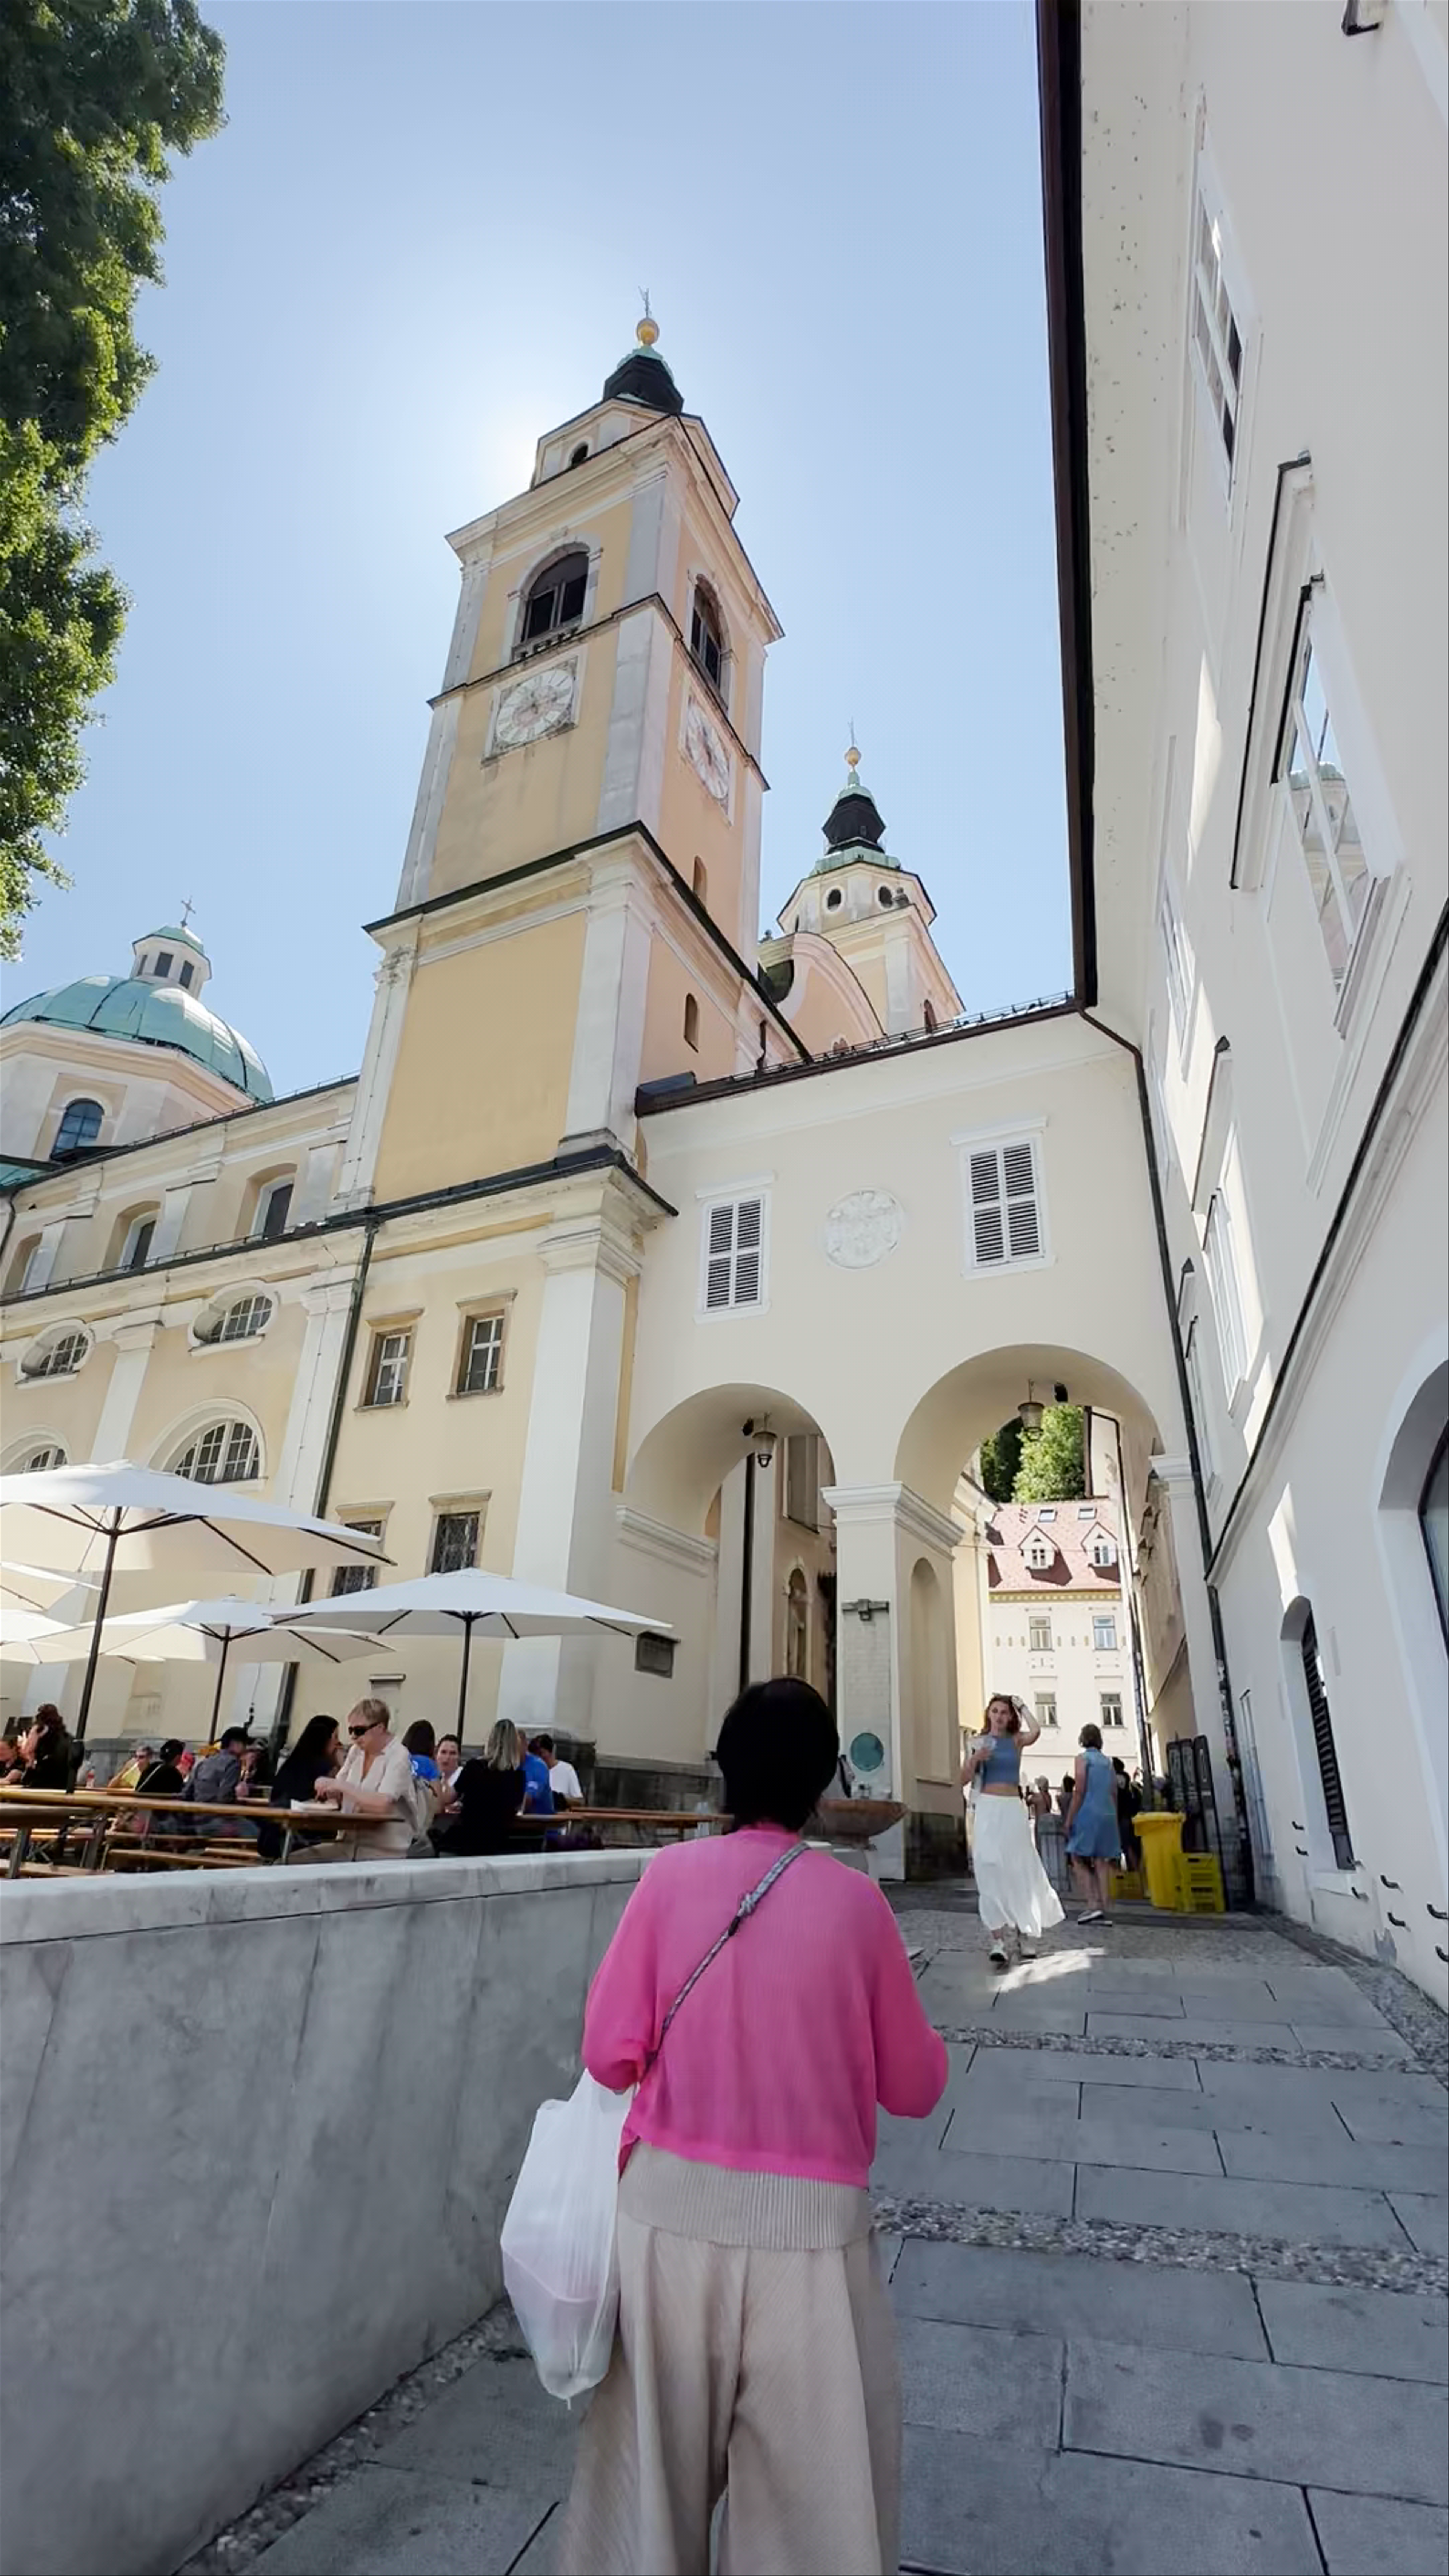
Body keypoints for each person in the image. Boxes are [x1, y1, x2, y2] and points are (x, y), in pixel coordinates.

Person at [557, 1677, 947, 2576]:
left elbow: (608, 2051)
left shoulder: (666, 1879)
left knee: (646, 2503)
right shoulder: (857, 1906)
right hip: (810, 2243)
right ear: (820, 1785)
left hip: (667, 2226)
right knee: (813, 2521)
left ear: (725, 1775)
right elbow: (915, 2087)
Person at [961, 1695, 1065, 1969]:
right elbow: (961, 1778)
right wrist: (976, 1759)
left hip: (1011, 1809)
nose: (999, 1716)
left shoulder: (1016, 1740)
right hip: (987, 1808)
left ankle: (1025, 1933)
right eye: (994, 1711)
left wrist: (1022, 1706)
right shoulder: (978, 1742)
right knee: (988, 1866)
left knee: (1019, 1868)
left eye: (1004, 1712)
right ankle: (998, 1941)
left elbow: (1037, 1731)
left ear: (1009, 1717)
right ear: (988, 1714)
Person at [304, 1699, 422, 1861]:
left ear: (380, 1728)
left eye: (359, 1731)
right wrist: (327, 1791)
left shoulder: (399, 1756)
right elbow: (339, 1791)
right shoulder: (356, 1752)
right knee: (288, 1862)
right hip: (347, 1844)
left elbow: (382, 1805)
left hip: (383, 1852)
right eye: (350, 1730)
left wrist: (340, 1785)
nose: (353, 1737)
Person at [434, 1720, 528, 1856]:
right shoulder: (518, 1777)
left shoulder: (475, 1767)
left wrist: (441, 1777)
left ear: (491, 1741)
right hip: (497, 1845)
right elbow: (516, 1807)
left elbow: (448, 1798)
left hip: (466, 1841)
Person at [258, 1714, 342, 1862]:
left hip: (274, 1838)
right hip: (304, 1839)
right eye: (335, 1737)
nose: (338, 1743)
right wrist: (341, 1765)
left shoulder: (292, 1763)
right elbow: (336, 1803)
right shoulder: (325, 1769)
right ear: (324, 1739)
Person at [1065, 1724, 1123, 1924]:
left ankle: (1092, 1904)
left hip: (1088, 1812)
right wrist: (1113, 1816)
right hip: (1107, 1812)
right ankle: (1105, 1907)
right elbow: (1114, 1791)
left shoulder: (1082, 1760)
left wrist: (1070, 1818)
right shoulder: (1108, 1763)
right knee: (1101, 1860)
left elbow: (1080, 1788)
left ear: (1082, 1739)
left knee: (1077, 1857)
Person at [185, 1726, 248, 1825]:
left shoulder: (204, 1762)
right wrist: (237, 1794)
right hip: (216, 1821)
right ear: (235, 1744)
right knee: (256, 1834)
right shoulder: (233, 1764)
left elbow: (187, 1792)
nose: (246, 1748)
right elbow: (225, 1798)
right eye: (244, 1744)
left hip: (195, 1819)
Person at [12, 1706, 72, 1792]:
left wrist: (24, 1744)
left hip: (45, 1778)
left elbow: (27, 1751)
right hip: (63, 1783)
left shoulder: (39, 1729)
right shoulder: (65, 1735)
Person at [532, 1731, 583, 1807]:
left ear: (551, 1752)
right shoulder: (533, 1771)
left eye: (541, 1753)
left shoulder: (567, 1769)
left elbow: (580, 1801)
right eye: (535, 1755)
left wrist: (560, 1799)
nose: (539, 1759)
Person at [1112, 1755, 1141, 1867]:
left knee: (1124, 1845)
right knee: (1128, 1845)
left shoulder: (1117, 1779)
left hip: (1120, 1817)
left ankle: (1130, 1869)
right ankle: (1133, 1868)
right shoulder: (1125, 1780)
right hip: (1127, 1816)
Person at [521, 1736, 555, 1816]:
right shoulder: (512, 1766)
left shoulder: (538, 1766)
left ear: (525, 1746)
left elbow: (528, 1800)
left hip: (542, 1826)